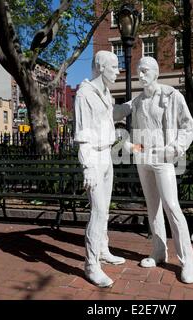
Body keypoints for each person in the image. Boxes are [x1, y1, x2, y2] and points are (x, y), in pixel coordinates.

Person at [123, 56, 193, 284]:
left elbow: (188, 126)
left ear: (156, 73)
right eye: (138, 71)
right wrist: (132, 147)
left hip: (163, 158)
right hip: (143, 158)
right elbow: (136, 132)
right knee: (152, 207)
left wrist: (173, 149)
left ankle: (188, 261)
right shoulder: (137, 102)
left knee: (172, 206)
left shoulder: (171, 96)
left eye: (145, 71)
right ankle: (158, 250)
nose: (140, 75)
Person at [74, 50, 129, 287]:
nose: (118, 71)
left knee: (104, 209)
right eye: (114, 67)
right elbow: (83, 134)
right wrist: (87, 167)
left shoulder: (105, 93)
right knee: (97, 212)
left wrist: (131, 105)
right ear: (100, 67)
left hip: (106, 154)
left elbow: (111, 116)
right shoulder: (84, 94)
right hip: (94, 158)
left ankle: (103, 250)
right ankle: (91, 265)